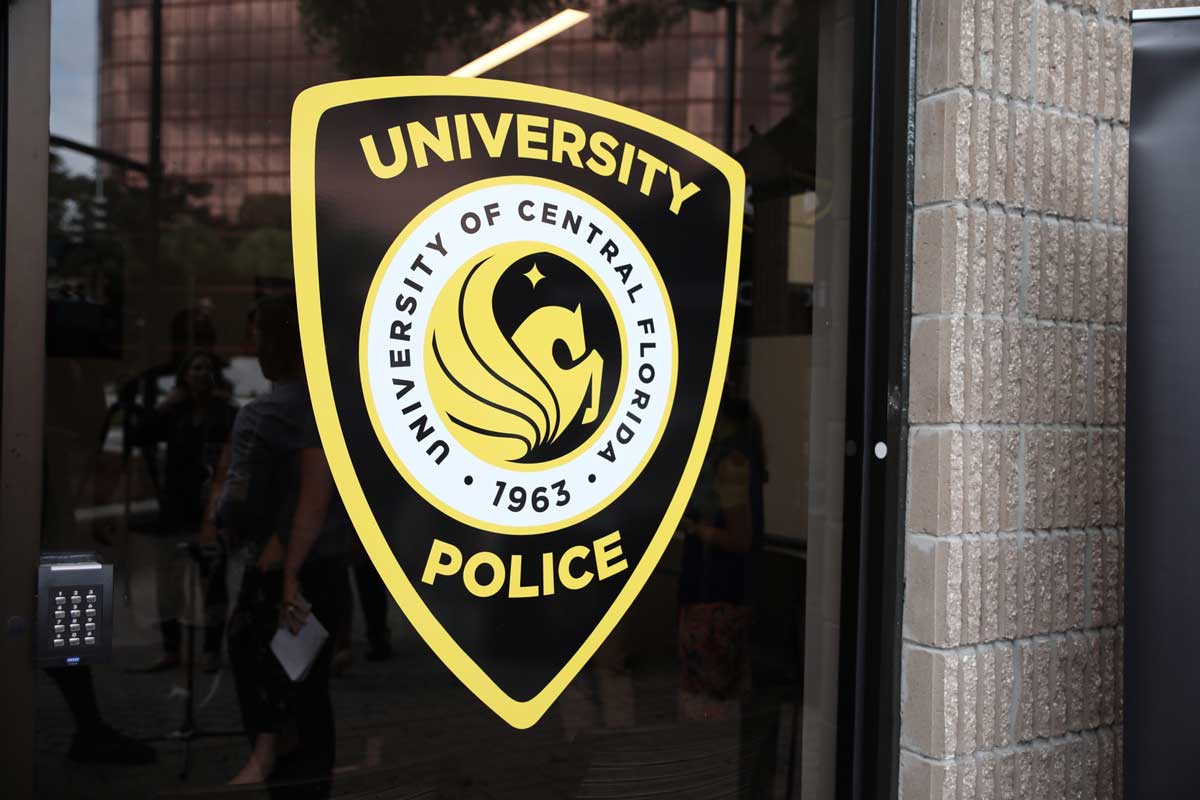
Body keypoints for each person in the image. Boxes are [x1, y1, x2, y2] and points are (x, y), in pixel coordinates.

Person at [217, 293, 349, 795]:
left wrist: (222, 517)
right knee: (311, 695)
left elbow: (240, 507)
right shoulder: (340, 408)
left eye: (258, 333)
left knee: (267, 684)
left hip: (278, 577)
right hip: (329, 569)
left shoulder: (264, 416)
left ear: (273, 341)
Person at [140, 351, 237, 674]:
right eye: (195, 368)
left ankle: (211, 648)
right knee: (169, 582)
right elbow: (144, 434)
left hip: (209, 508)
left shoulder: (224, 412)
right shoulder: (174, 411)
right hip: (175, 506)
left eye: (206, 368)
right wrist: (166, 404)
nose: (201, 374)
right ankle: (172, 648)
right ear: (184, 376)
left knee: (212, 580)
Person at [676, 394, 766, 721]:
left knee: (709, 703)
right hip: (722, 591)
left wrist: (694, 528)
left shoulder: (730, 463)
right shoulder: (738, 458)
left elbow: (740, 538)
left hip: (715, 594)